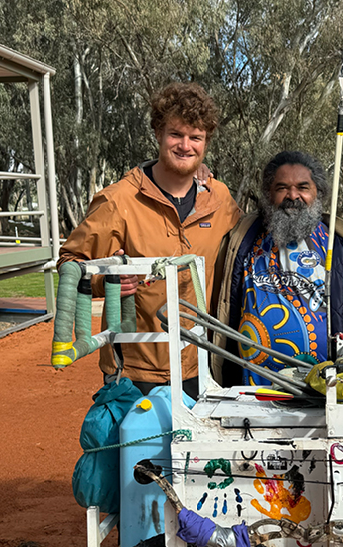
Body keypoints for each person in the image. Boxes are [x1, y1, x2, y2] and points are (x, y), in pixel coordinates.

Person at [58, 82, 241, 395]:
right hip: (136, 371)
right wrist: (108, 283)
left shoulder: (219, 199)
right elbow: (71, 263)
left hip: (204, 367)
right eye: (176, 134)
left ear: (206, 143)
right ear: (158, 133)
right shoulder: (118, 201)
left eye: (195, 137)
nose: (186, 145)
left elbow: (245, 254)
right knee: (139, 445)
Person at [212, 150, 343, 386]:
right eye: (282, 187)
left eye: (303, 187)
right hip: (253, 385)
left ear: (318, 193)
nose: (292, 195)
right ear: (268, 194)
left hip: (328, 387)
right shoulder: (240, 238)